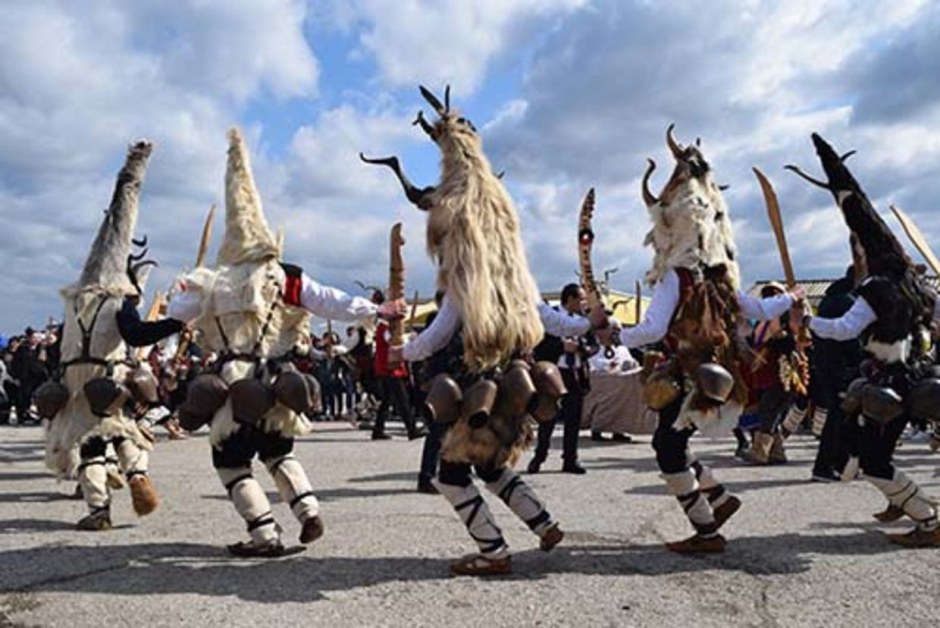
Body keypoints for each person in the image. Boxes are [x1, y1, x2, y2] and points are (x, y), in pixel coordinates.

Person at [371, 85, 593, 575]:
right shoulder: (517, 279)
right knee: (492, 465)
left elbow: (438, 331)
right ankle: (542, 521)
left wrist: (399, 351)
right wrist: (588, 324)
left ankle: (493, 551)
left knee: (452, 474)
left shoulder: (463, 280)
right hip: (518, 376)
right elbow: (549, 316)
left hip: (475, 381)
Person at [168, 129, 404, 558]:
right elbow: (331, 301)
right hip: (276, 376)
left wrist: (185, 289)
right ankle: (308, 509)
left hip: (231, 382)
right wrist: (379, 310)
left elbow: (175, 315)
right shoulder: (284, 275)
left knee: (233, 463)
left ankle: (264, 535)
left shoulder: (213, 280)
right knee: (278, 451)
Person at [594, 126, 800, 553]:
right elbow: (759, 309)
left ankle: (707, 530)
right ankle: (718, 499)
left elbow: (652, 330)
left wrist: (617, 333)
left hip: (684, 374)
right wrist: (793, 298)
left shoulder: (677, 276)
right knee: (672, 442)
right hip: (716, 374)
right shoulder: (720, 277)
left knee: (668, 449)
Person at [795, 133, 940, 547]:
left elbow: (843, 328)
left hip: (889, 383)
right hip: (912, 376)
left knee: (873, 461)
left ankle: (927, 518)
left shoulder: (877, 286)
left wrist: (808, 321)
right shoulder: (916, 285)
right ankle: (908, 501)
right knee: (864, 446)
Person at [528, 284, 598, 474]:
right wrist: (561, 347)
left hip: (575, 372)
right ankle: (539, 456)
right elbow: (540, 345)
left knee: (573, 418)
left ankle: (570, 459)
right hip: (554, 373)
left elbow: (594, 346)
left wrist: (581, 350)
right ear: (570, 299)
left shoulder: (584, 322)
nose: (583, 303)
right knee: (548, 416)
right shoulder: (549, 317)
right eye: (581, 299)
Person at [371, 290, 426, 440]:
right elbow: (395, 342)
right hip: (391, 368)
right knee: (402, 399)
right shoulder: (385, 329)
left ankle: (378, 428)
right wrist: (410, 337)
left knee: (387, 400)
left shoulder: (384, 327)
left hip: (387, 367)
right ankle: (411, 428)